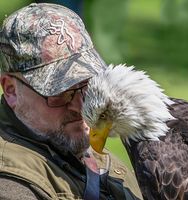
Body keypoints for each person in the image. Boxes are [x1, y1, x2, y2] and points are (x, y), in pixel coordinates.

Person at [0, 3, 143, 200]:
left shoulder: (84, 151)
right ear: (10, 90)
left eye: (87, 86)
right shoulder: (12, 186)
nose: (80, 107)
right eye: (59, 94)